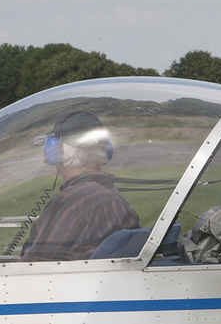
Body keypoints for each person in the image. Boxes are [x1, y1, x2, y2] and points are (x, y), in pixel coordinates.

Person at [19, 110, 139, 261]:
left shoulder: (72, 202)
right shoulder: (112, 195)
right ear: (105, 150)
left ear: (57, 151)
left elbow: (33, 266)